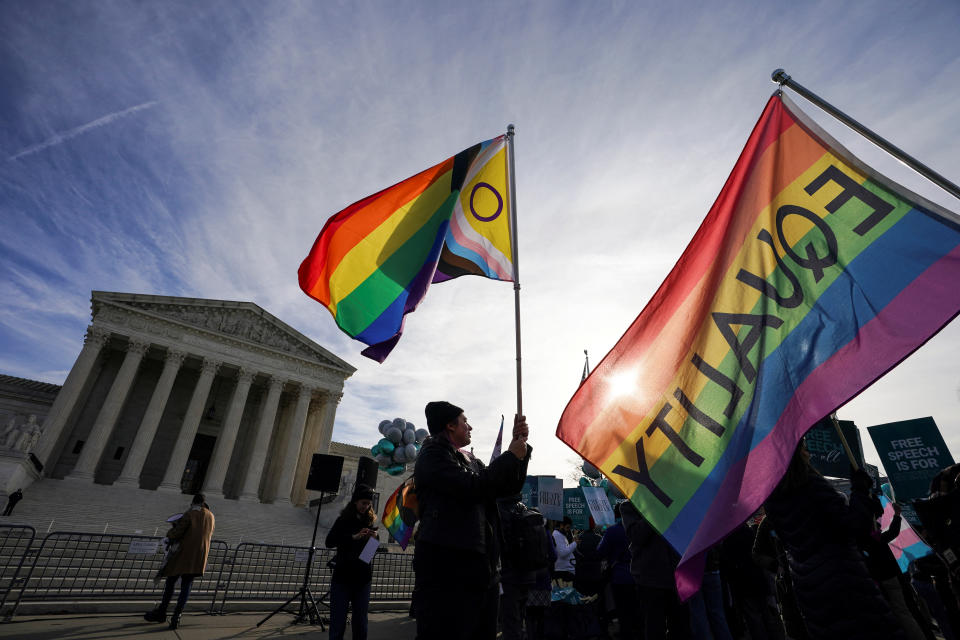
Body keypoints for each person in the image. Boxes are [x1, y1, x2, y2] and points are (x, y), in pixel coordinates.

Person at [412, 401, 531, 640]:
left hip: (479, 568)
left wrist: (520, 451)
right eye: (465, 421)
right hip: (448, 568)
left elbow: (505, 487)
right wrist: (509, 456)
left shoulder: (470, 460)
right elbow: (473, 486)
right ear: (449, 425)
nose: (470, 427)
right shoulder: (433, 454)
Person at [763, 443, 906, 639]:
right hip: (843, 577)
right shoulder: (811, 484)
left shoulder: (772, 499)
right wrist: (860, 491)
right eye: (804, 448)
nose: (809, 453)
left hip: (808, 585)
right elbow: (854, 527)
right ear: (797, 455)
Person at [620, 499, 691, 640]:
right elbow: (637, 536)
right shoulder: (630, 506)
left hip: (677, 576)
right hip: (649, 579)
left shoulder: (675, 500)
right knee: (654, 627)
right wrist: (656, 508)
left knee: (681, 627)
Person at [144, 494, 215, 629]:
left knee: (170, 582)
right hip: (199, 555)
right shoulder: (211, 516)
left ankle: (162, 612)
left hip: (183, 553)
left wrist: (172, 529)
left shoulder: (191, 513)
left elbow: (176, 533)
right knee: (186, 585)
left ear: (194, 502)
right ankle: (177, 616)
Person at [325, 484, 378, 640]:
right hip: (343, 577)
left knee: (361, 621)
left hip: (362, 579)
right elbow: (330, 542)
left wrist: (374, 539)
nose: (366, 506)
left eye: (368, 504)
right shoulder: (343, 520)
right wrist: (353, 537)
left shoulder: (369, 522)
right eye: (363, 503)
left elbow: (368, 555)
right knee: (338, 621)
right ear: (355, 501)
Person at [597, 502, 641, 640]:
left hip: (619, 577)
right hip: (640, 576)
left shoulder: (611, 531)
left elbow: (600, 551)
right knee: (638, 609)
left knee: (622, 610)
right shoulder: (640, 528)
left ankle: (626, 634)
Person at [552, 516, 578, 582]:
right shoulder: (557, 535)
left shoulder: (561, 534)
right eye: (567, 527)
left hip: (566, 569)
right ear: (561, 525)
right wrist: (574, 543)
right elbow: (563, 553)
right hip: (563, 571)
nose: (568, 530)